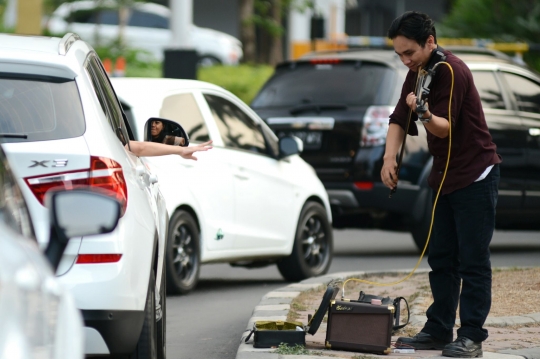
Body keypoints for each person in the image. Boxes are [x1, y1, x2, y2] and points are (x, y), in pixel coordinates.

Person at [380, 11, 501, 358]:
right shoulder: (416, 71)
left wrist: (423, 112)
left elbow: (443, 127)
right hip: (445, 176)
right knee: (442, 257)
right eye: (399, 55)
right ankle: (438, 328)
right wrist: (390, 159)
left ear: (429, 42)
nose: (405, 61)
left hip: (475, 174)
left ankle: (472, 336)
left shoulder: (451, 71)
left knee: (473, 260)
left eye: (410, 53)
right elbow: (398, 118)